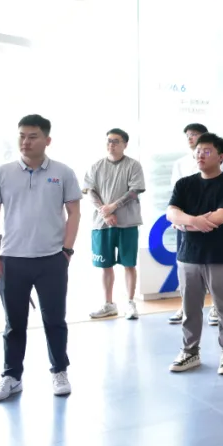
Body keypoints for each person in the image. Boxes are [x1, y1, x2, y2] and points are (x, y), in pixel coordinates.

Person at [0, 114, 81, 402]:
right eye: (22, 136)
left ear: (47, 140)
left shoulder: (63, 173)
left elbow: (74, 213)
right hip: (12, 259)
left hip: (52, 259)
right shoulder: (1, 173)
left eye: (32, 136)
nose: (25, 142)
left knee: (55, 320)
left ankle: (59, 371)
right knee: (14, 322)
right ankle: (11, 376)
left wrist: (67, 250)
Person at [166, 133, 223, 375]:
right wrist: (195, 221)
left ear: (221, 157)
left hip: (219, 256)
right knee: (190, 308)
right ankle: (190, 352)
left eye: (207, 151)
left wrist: (184, 223)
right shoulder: (184, 184)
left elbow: (220, 218)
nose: (200, 155)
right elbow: (171, 213)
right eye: (198, 151)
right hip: (188, 256)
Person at [84, 128, 146, 320]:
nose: (111, 144)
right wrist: (105, 212)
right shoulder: (96, 166)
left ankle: (130, 303)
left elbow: (135, 191)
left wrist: (113, 207)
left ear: (125, 144)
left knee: (129, 264)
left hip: (127, 223)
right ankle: (108, 304)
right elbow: (90, 191)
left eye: (116, 141)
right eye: (109, 141)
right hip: (102, 224)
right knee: (105, 264)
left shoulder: (133, 165)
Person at [169, 123, 210, 325]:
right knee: (185, 266)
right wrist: (178, 218)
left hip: (208, 221)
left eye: (194, 134)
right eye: (188, 135)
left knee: (212, 265)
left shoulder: (216, 160)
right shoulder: (180, 163)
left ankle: (216, 306)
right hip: (185, 223)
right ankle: (185, 305)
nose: (190, 137)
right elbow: (176, 196)